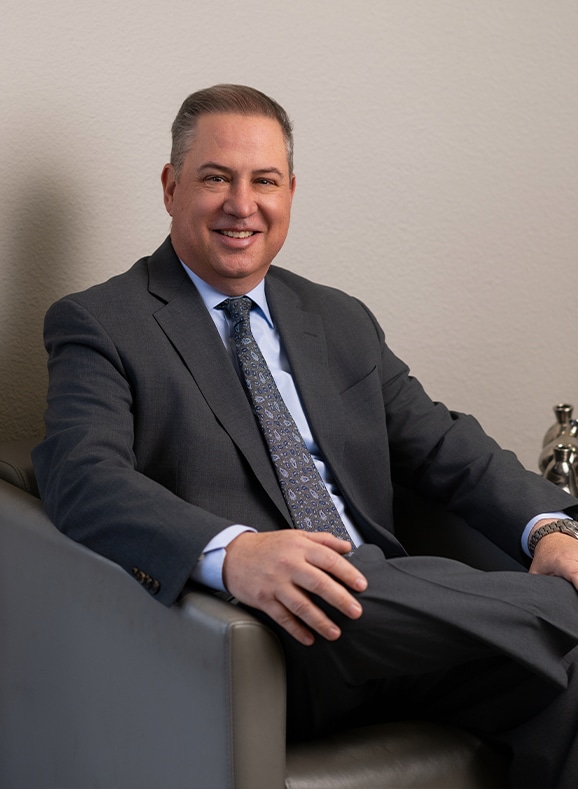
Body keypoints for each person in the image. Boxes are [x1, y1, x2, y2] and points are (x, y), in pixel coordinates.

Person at [33, 84, 578, 787]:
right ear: (171, 187)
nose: (242, 204)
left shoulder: (338, 318)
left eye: (264, 180)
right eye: (216, 178)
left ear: (290, 191)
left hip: (403, 624)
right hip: (272, 632)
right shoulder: (101, 322)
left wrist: (549, 530)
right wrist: (234, 554)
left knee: (569, 684)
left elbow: (446, 446)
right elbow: (82, 477)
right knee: (358, 590)